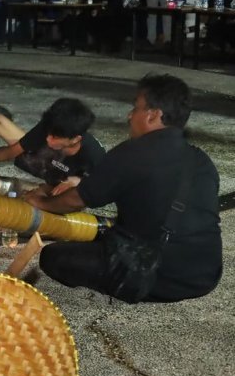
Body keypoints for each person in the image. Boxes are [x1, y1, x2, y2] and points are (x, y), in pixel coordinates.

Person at [27, 74, 221, 303]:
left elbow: (76, 200)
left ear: (153, 115)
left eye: (135, 108)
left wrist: (41, 202)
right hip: (205, 274)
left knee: (53, 256)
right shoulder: (201, 160)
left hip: (158, 275)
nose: (130, 116)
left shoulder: (132, 153)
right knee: (106, 233)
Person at [0, 98, 105, 191]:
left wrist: (79, 182)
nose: (48, 140)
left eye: (55, 137)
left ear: (75, 139)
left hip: (56, 182)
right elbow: (12, 151)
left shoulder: (94, 155)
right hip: (37, 159)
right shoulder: (51, 127)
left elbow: (105, 188)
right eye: (49, 134)